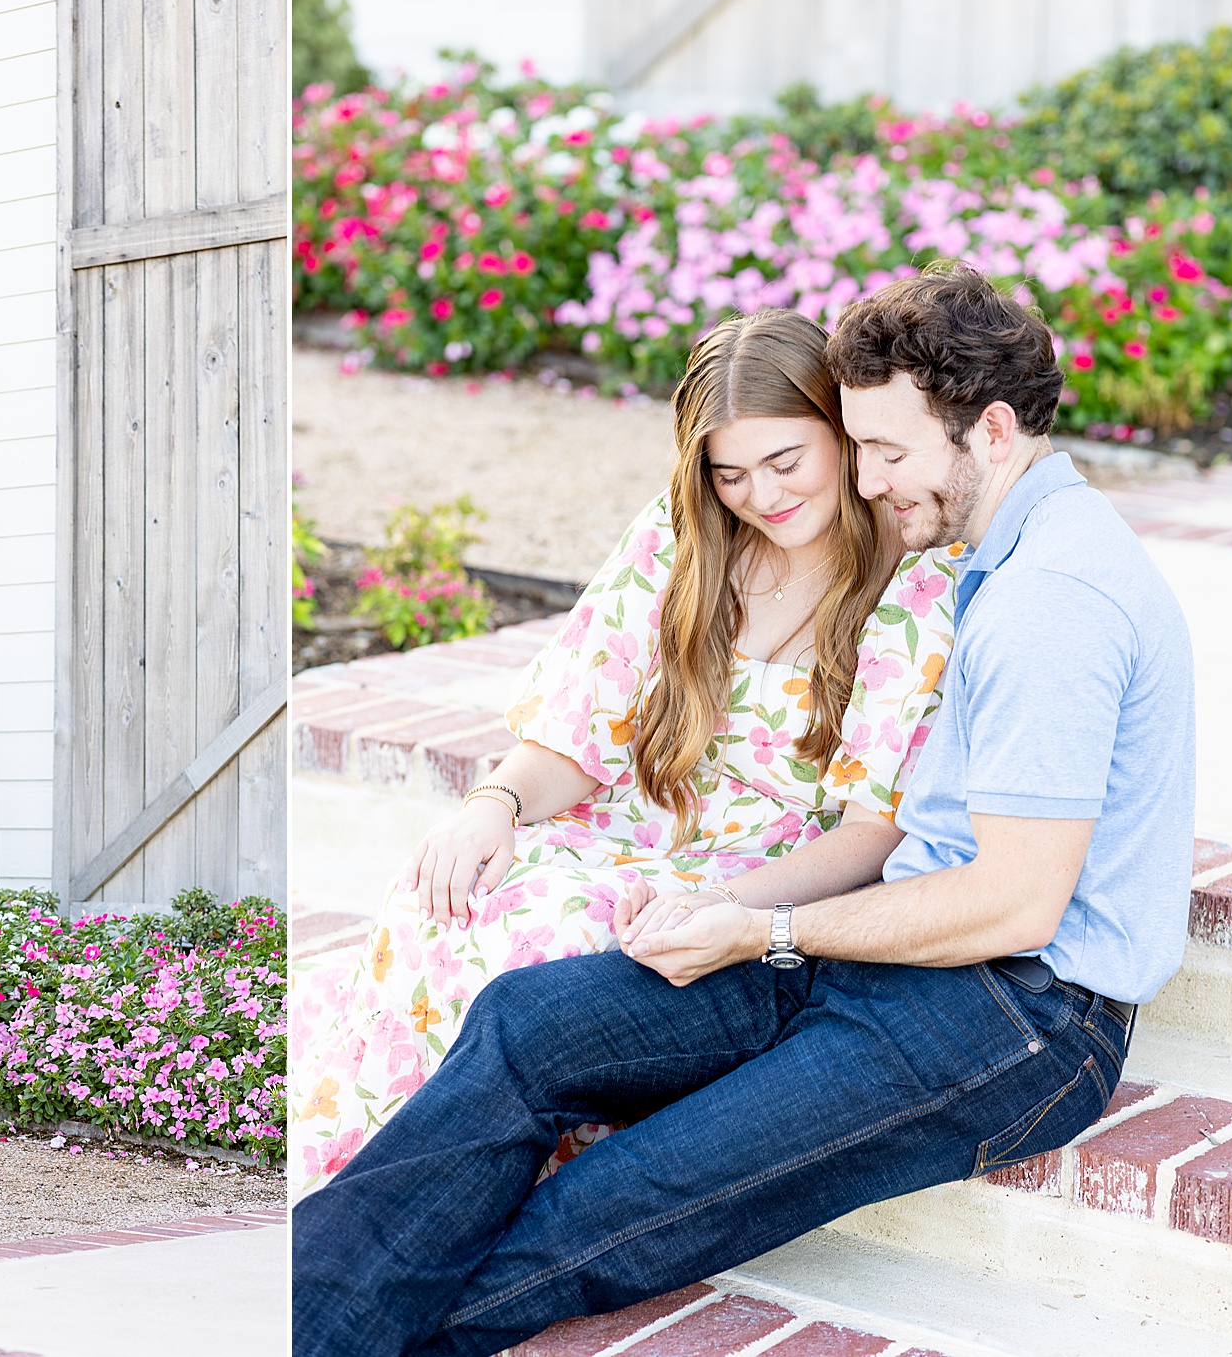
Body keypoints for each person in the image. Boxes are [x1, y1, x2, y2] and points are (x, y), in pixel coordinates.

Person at [290, 262, 1195, 1357]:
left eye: (887, 451)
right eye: (854, 445)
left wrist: (765, 926)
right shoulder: (995, 560)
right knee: (527, 1023)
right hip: (889, 950)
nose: (863, 479)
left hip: (1014, 1017)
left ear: (990, 429)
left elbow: (1010, 906)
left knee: (610, 1204)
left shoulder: (1049, 601)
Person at [290, 308, 957, 1197]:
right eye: (731, 473)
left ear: (840, 431)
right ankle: (361, 1182)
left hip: (758, 877)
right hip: (625, 827)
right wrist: (494, 802)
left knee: (552, 940)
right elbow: (577, 732)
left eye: (785, 460)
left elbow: (872, 832)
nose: (761, 494)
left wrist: (717, 903)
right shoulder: (683, 539)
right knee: (446, 892)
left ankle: (454, 1194)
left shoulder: (911, 583)